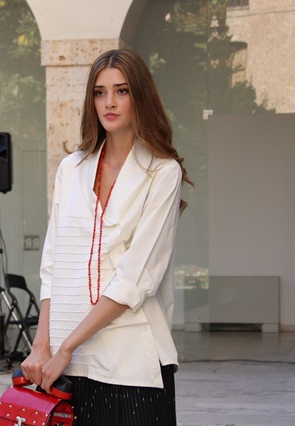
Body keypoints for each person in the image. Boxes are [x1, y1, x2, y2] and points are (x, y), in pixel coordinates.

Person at [21, 49, 192, 425]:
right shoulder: (71, 169)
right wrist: (41, 344)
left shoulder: (162, 172)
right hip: (68, 367)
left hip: (132, 361)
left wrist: (65, 347)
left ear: (140, 97)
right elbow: (53, 265)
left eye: (121, 91)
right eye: (100, 92)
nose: (109, 102)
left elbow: (135, 279)